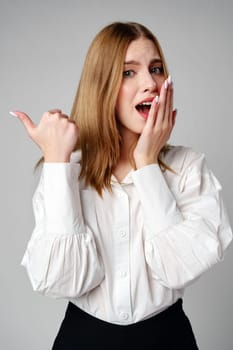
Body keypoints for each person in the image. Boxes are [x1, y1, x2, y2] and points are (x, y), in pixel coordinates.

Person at [11, 22, 232, 349]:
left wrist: (147, 164)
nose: (151, 83)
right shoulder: (67, 170)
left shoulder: (188, 167)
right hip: (82, 340)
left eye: (156, 69)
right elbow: (62, 281)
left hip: (167, 339)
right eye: (129, 72)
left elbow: (179, 269)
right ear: (101, 85)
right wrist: (57, 162)